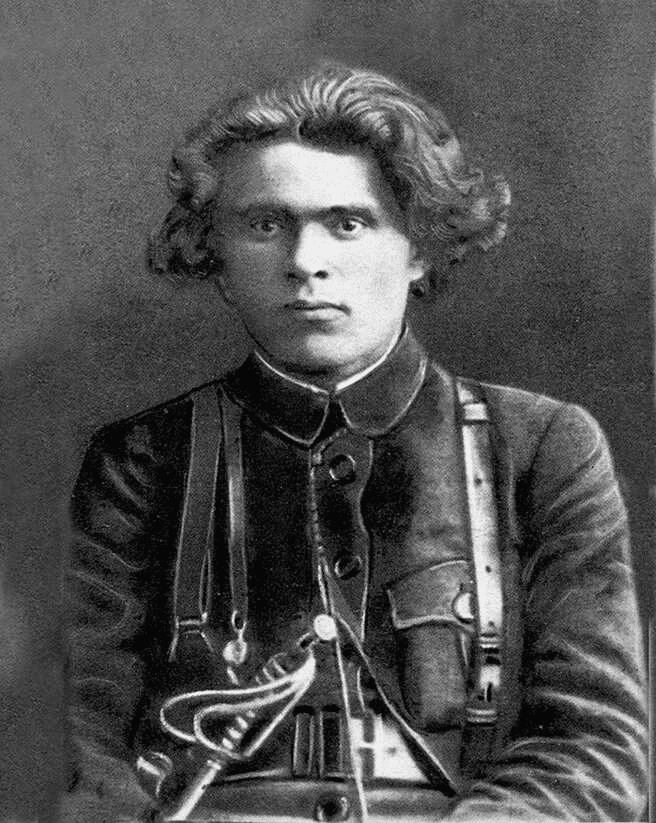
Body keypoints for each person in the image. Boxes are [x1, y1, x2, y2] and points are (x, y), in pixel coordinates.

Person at [63, 64, 648, 822]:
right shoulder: (141, 460)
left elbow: (593, 748)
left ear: (420, 248)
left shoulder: (541, 449)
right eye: (265, 225)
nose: (304, 262)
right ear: (218, 260)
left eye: (348, 223)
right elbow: (91, 756)